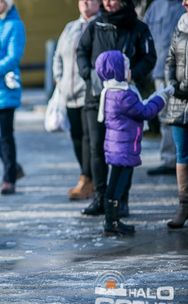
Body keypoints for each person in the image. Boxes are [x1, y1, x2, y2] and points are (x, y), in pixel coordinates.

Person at [77, 0, 156, 217]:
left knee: (123, 151)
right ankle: (100, 197)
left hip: (125, 99)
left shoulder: (138, 27)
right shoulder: (95, 25)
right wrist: (88, 74)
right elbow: (81, 51)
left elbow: (149, 57)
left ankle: (121, 199)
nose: (108, 3)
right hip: (97, 97)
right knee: (97, 148)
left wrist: (133, 73)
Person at [94, 50, 172, 235]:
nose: (130, 71)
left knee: (114, 184)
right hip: (124, 148)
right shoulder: (123, 95)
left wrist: (153, 97)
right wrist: (162, 97)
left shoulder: (111, 91)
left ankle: (111, 220)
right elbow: (144, 112)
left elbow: (138, 108)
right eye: (127, 68)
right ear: (118, 70)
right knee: (117, 186)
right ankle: (111, 222)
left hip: (117, 147)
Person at [53, 0, 100, 200]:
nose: (86, 3)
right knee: (76, 137)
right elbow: (57, 57)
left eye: (91, 0)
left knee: (90, 140)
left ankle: (90, 179)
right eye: (82, 0)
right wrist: (60, 81)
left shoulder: (100, 27)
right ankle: (85, 177)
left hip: (88, 93)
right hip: (68, 93)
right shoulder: (70, 27)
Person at [0, 0, 25, 195]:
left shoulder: (15, 25)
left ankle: (9, 178)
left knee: (6, 136)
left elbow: (13, 57)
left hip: (4, 89)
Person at [144, 0, 184, 176]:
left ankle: (182, 160)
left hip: (183, 73)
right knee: (165, 116)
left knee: (182, 117)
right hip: (160, 71)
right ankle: (170, 160)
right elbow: (144, 34)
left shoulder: (184, 4)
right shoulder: (155, 7)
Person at [163, 7, 188, 229]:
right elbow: (170, 58)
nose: (184, 2)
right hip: (179, 101)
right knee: (182, 153)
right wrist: (171, 82)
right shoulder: (181, 23)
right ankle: (184, 205)